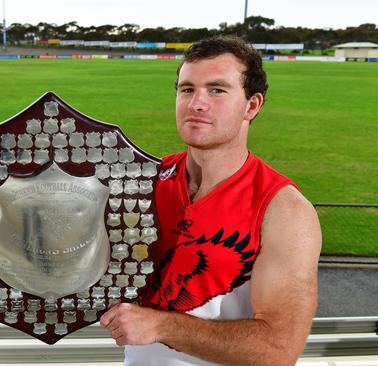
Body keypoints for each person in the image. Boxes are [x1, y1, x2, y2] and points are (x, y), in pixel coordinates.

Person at [100, 36, 321, 365]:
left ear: (252, 105)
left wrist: (162, 326)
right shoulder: (143, 183)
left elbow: (279, 349)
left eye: (216, 90)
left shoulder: (284, 210)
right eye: (187, 89)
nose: (196, 103)